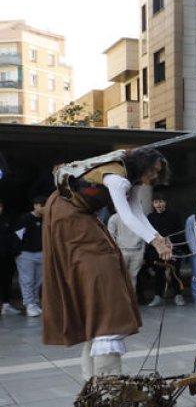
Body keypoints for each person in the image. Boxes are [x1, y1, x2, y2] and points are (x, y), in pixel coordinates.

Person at [41, 147, 172, 378]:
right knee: (104, 268)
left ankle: (93, 376)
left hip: (80, 216)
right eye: (153, 170)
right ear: (142, 165)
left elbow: (137, 213)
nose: (155, 176)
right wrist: (154, 240)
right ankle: (104, 378)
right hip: (67, 215)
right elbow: (126, 216)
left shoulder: (130, 180)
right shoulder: (116, 178)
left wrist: (158, 239)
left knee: (110, 261)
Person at [145, 193, 188, 306]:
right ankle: (158, 296)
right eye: (156, 202)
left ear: (165, 202)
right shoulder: (150, 217)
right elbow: (148, 234)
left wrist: (169, 239)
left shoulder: (174, 215)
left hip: (173, 249)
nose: (158, 204)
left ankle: (178, 295)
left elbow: (180, 232)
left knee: (175, 272)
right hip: (157, 250)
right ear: (153, 204)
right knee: (159, 273)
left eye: (160, 201)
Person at [15, 196, 46, 317]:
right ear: (35, 205)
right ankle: (29, 304)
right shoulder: (24, 219)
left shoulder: (46, 219)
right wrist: (18, 251)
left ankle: (35, 303)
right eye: (42, 205)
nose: (44, 208)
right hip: (26, 254)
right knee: (27, 281)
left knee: (38, 281)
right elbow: (18, 235)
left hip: (41, 253)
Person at [0, 200, 19, 316]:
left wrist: (14, 251)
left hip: (6, 257)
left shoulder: (7, 220)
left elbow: (14, 236)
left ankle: (6, 304)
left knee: (6, 280)